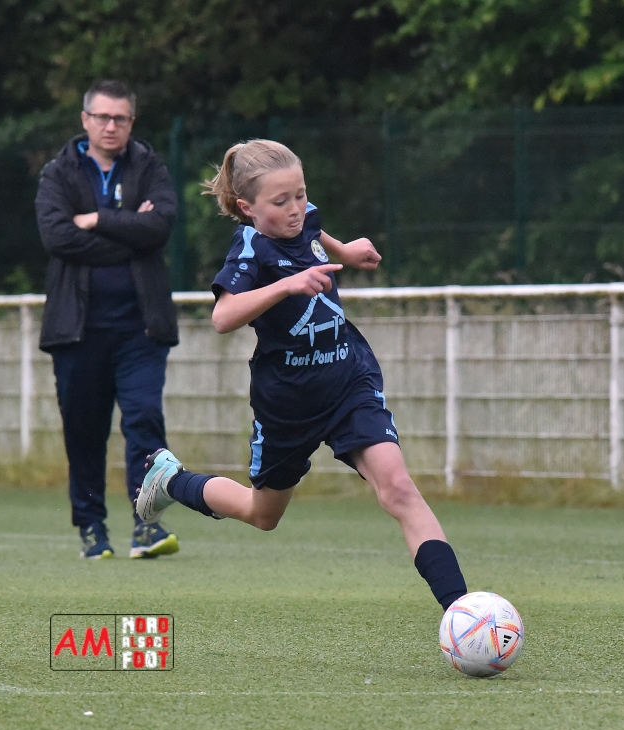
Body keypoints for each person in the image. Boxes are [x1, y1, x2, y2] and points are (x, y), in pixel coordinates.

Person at [136, 139, 468, 611]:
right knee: (262, 514)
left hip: (348, 381)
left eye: (300, 194)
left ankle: (462, 612)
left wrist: (345, 251)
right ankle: (172, 480)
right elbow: (223, 317)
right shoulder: (250, 246)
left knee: (398, 487)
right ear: (248, 208)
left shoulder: (302, 215)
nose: (295, 208)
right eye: (280, 201)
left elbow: (313, 229)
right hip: (287, 403)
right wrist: (287, 285)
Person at [35, 80, 181, 560]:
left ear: (131, 122)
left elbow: (160, 226)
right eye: (102, 117)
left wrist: (97, 219)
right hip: (76, 331)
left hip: (142, 329)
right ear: (85, 120)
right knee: (84, 431)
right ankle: (91, 529)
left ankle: (148, 526)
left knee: (145, 422)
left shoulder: (150, 166)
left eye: (120, 118)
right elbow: (57, 237)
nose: (111, 126)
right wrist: (129, 231)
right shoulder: (58, 172)